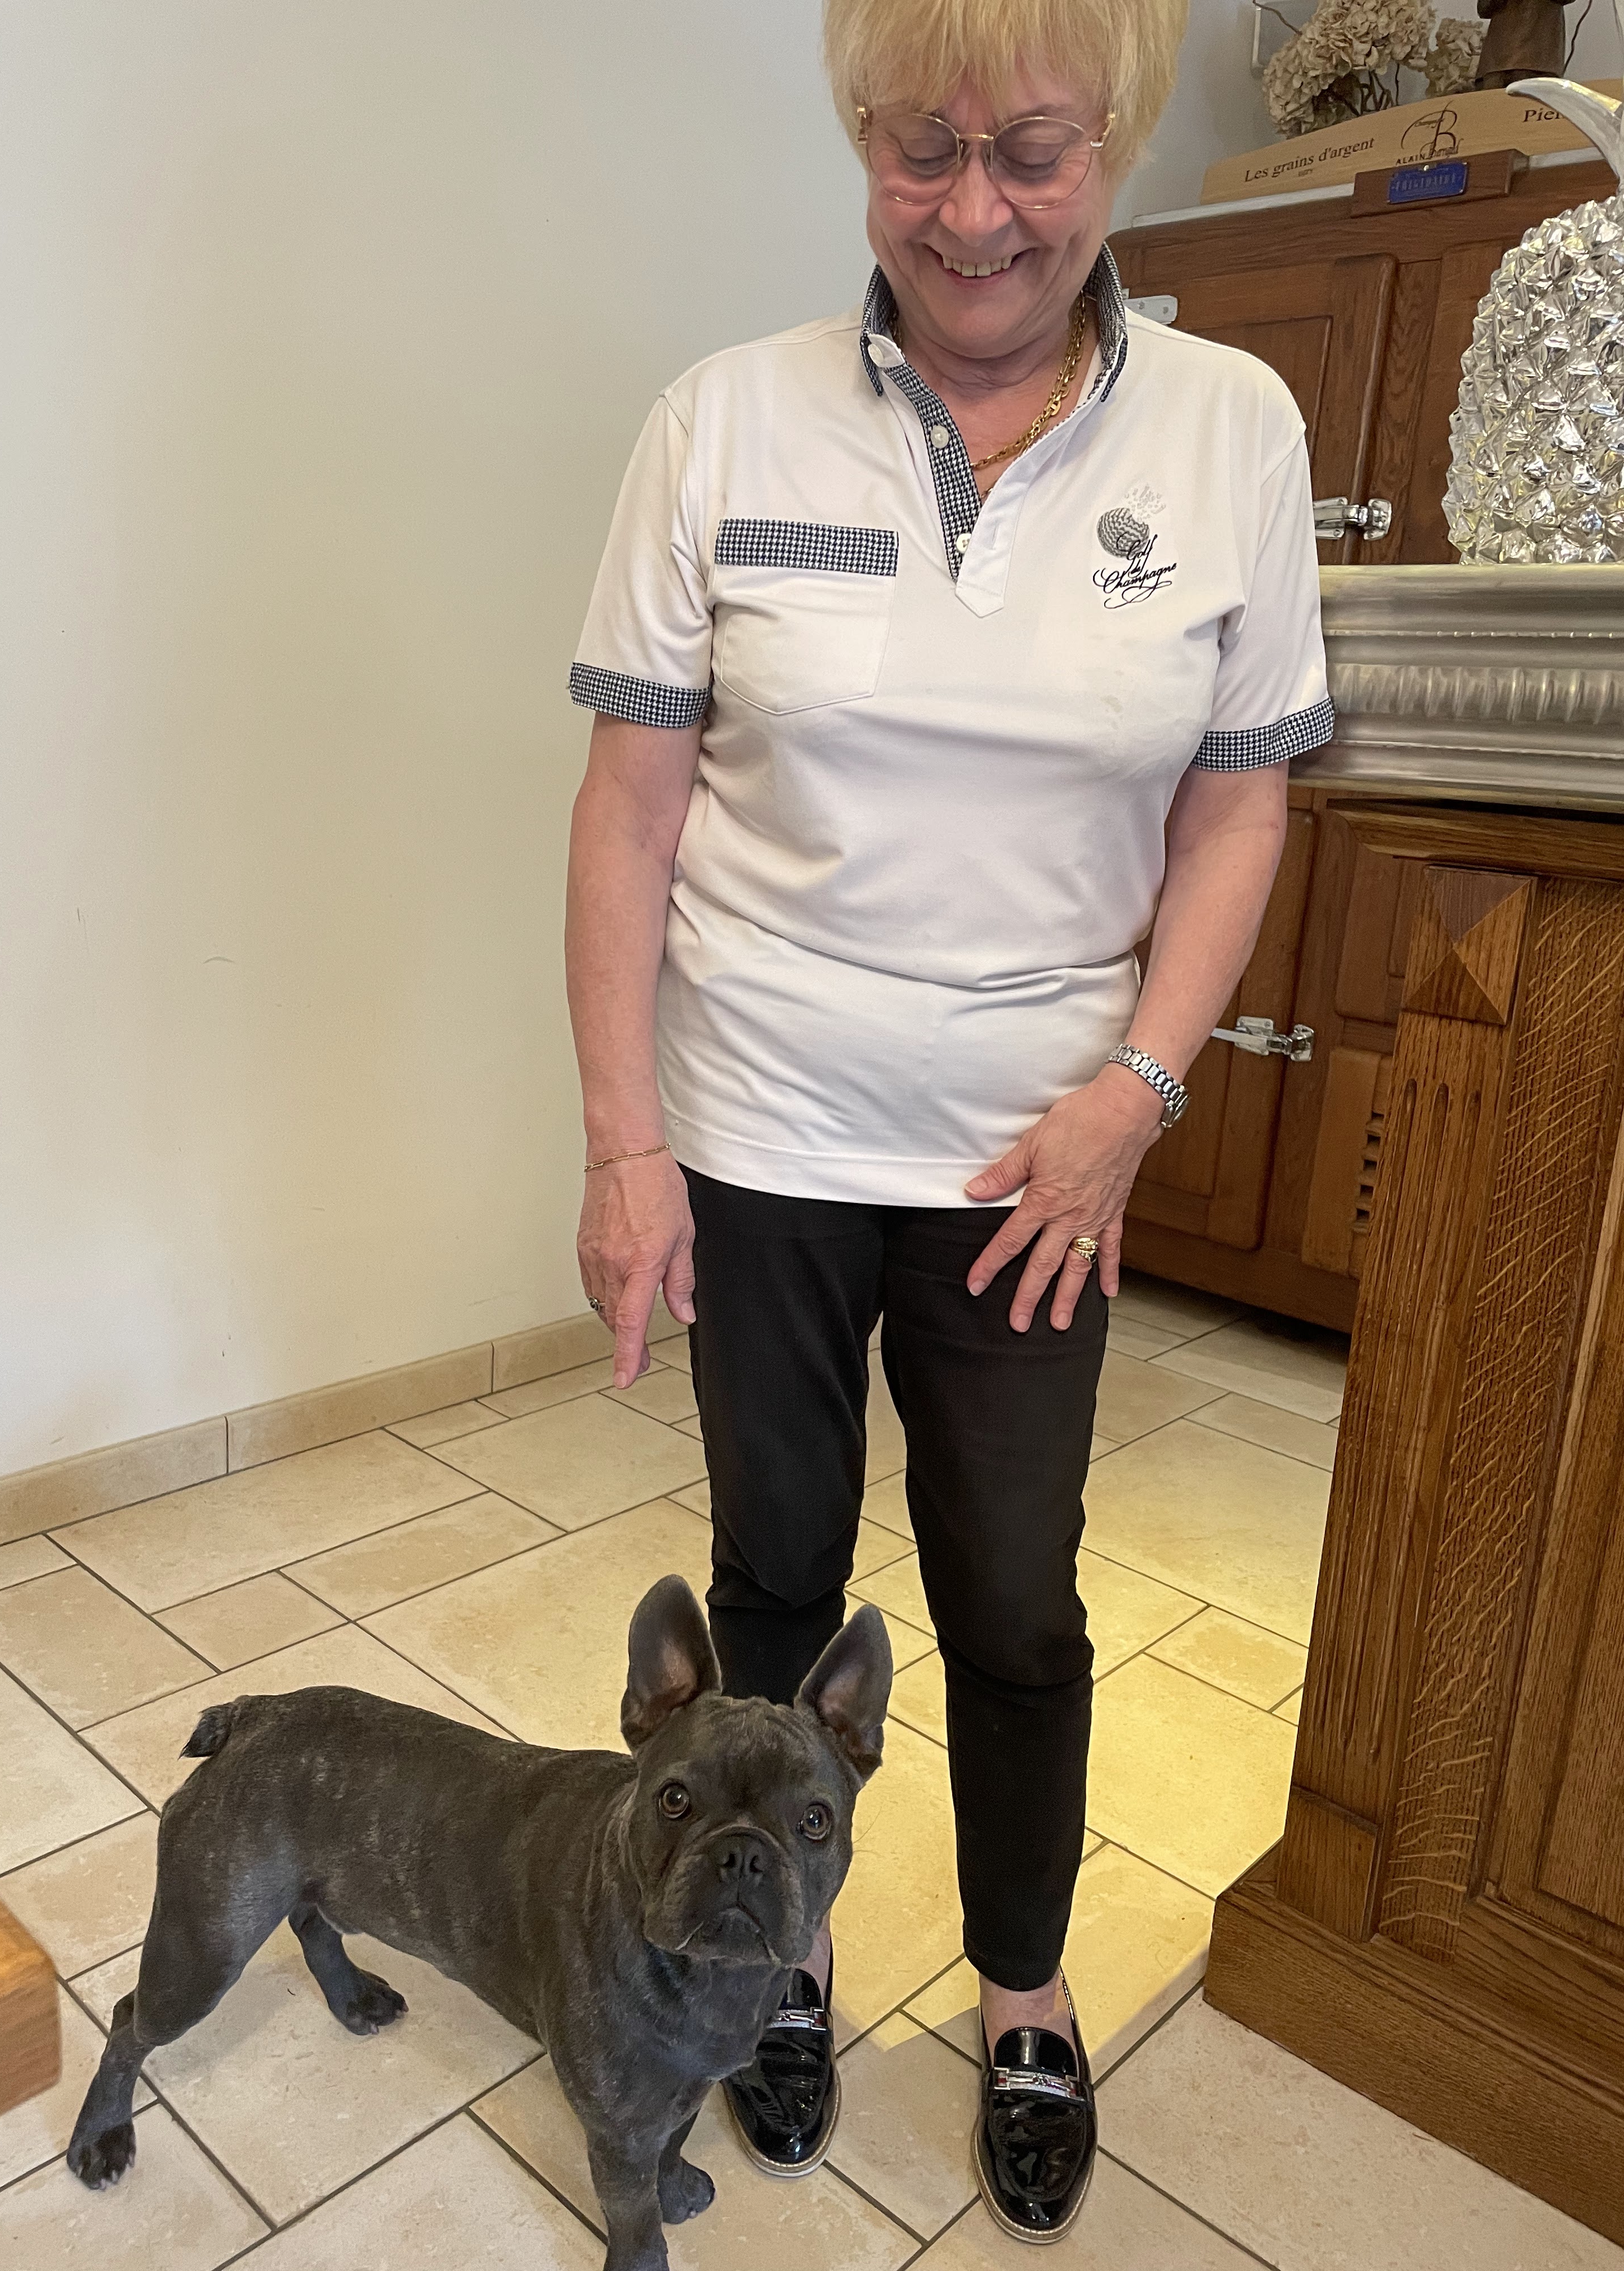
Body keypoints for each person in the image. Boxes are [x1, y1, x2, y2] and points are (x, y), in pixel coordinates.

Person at [564, 0, 1329, 2239]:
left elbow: (1238, 805)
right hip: (762, 1129)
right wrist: (626, 1142)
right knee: (777, 1576)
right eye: (922, 149)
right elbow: (628, 813)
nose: (975, 210)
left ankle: (1020, 1986)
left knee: (1011, 1597)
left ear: (1118, 146)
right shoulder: (721, 420)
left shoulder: (1233, 426)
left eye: (1032, 151)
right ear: (860, 141)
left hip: (1035, 1169)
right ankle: (777, 1949)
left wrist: (1138, 1094)